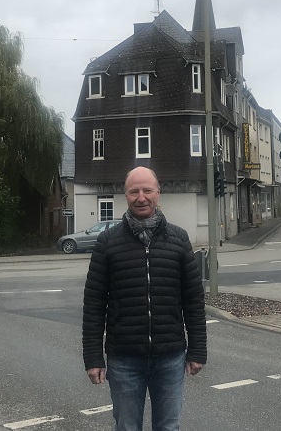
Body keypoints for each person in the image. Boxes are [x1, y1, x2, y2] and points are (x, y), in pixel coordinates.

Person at [82, 166, 207, 431]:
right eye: (134, 191)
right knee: (127, 427)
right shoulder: (107, 242)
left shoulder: (179, 239)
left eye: (147, 190)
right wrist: (93, 357)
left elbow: (193, 300)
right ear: (125, 196)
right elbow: (94, 303)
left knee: (168, 427)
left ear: (158, 193)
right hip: (124, 358)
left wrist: (197, 350)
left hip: (170, 356)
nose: (141, 197)